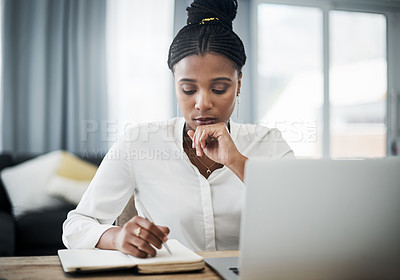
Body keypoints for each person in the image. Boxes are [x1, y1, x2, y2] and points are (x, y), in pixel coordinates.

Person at [62, 0, 294, 258]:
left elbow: (305, 218)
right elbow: (76, 225)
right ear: (175, 85)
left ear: (239, 84)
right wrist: (117, 237)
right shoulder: (139, 142)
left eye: (219, 88)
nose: (203, 103)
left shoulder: (269, 144)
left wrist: (237, 162)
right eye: (188, 89)